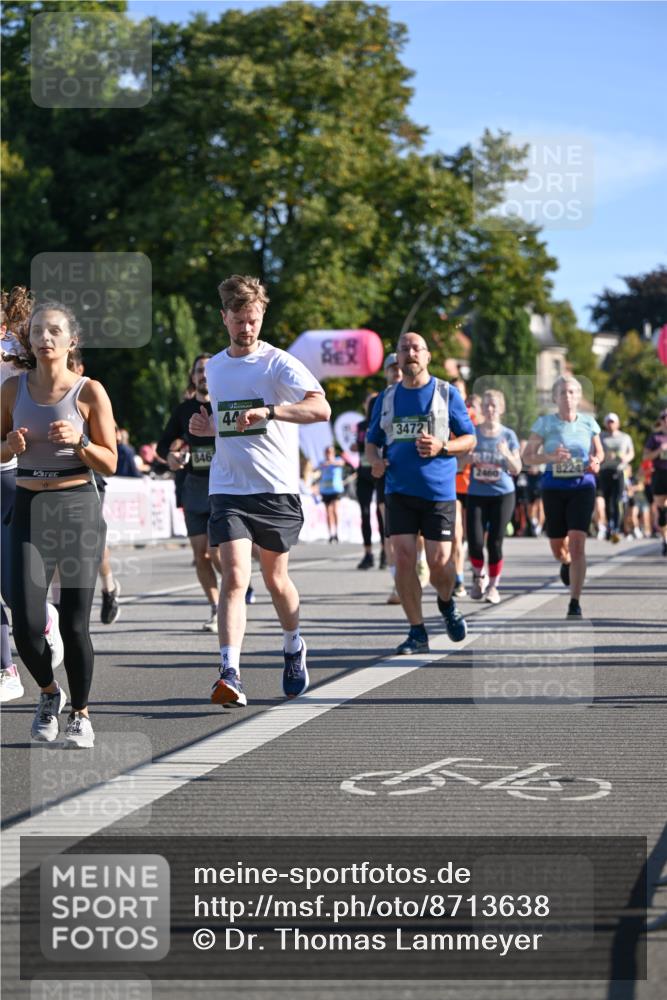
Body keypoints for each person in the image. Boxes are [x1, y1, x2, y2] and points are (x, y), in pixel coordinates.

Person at [189, 274, 330, 706]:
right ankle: (230, 671)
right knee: (234, 576)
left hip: (276, 489)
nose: (247, 329)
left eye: (253, 320)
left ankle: (293, 644)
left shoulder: (279, 364)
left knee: (276, 580)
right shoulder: (214, 367)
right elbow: (228, 426)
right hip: (228, 488)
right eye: (239, 321)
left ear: (261, 316)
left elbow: (321, 408)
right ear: (224, 318)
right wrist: (209, 428)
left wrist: (271, 409)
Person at [1, 301, 117, 747]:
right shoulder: (12, 390)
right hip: (29, 507)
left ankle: (81, 714)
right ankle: (49, 693)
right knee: (27, 623)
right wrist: (8, 446)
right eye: (37, 332)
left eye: (55, 331)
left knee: (73, 624)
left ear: (71, 341)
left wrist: (81, 441)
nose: (45, 338)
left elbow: (107, 462)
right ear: (28, 341)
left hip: (76, 506)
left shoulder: (90, 392)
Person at [365, 331, 475, 653]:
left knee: (441, 563)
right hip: (398, 489)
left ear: (427, 356)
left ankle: (445, 602)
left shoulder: (446, 393)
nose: (410, 353)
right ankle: (417, 631)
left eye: (416, 348)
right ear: (397, 359)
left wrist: (443, 446)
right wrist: (374, 461)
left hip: (438, 491)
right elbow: (373, 442)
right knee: (403, 558)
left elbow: (469, 438)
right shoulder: (386, 398)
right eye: (403, 349)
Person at [157, 354, 256, 630]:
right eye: (199, 370)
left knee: (216, 554)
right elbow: (162, 446)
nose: (204, 375)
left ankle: (237, 583)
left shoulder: (225, 405)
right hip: (194, 488)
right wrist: (172, 457)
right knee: (200, 555)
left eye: (208, 370)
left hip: (224, 487)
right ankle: (216, 607)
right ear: (193, 376)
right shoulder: (182, 410)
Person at [523, 375, 603, 618]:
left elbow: (599, 453)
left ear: (578, 397)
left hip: (583, 486)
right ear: (555, 398)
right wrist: (549, 458)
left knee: (578, 542)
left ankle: (574, 602)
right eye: (562, 393)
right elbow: (528, 457)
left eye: (571, 392)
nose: (567, 397)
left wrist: (596, 462)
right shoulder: (544, 423)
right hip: (554, 488)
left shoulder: (589, 423)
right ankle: (565, 562)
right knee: (559, 546)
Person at [466, 390, 522, 604]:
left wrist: (506, 454)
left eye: (494, 405)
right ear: (481, 408)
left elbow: (517, 468)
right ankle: (479, 577)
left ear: (502, 409)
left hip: (502, 494)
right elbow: (459, 464)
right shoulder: (473, 433)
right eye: (487, 405)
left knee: (495, 542)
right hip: (476, 494)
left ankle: (493, 586)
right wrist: (469, 458)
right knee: (475, 541)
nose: (490, 409)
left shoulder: (508, 435)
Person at [352, 392, 385, 570]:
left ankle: (385, 551)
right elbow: (359, 445)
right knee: (365, 514)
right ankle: (368, 553)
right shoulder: (361, 426)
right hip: (363, 472)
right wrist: (357, 445)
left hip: (378, 473)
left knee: (381, 515)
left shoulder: (382, 424)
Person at [599, 412, 634, 543]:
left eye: (613, 422)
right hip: (604, 471)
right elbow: (595, 452)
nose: (610, 424)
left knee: (617, 500)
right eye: (608, 422)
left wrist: (625, 458)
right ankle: (609, 526)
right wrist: (600, 460)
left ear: (617, 423)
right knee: (607, 502)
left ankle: (616, 528)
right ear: (605, 423)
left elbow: (631, 453)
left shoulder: (625, 437)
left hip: (619, 472)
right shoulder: (601, 437)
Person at [643, 408, 667, 555]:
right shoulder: (655, 438)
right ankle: (665, 540)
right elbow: (646, 457)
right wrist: (659, 451)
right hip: (660, 474)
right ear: (662, 420)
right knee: (661, 510)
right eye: (665, 418)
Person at [316, 445, 345, 542]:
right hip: (325, 490)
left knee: (335, 510)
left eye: (330, 452)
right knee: (328, 511)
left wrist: (331, 462)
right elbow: (317, 468)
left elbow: (341, 463)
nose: (329, 454)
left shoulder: (337, 460)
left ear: (333, 453)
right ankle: (330, 533)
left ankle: (337, 532)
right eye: (327, 452)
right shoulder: (322, 462)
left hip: (335, 490)